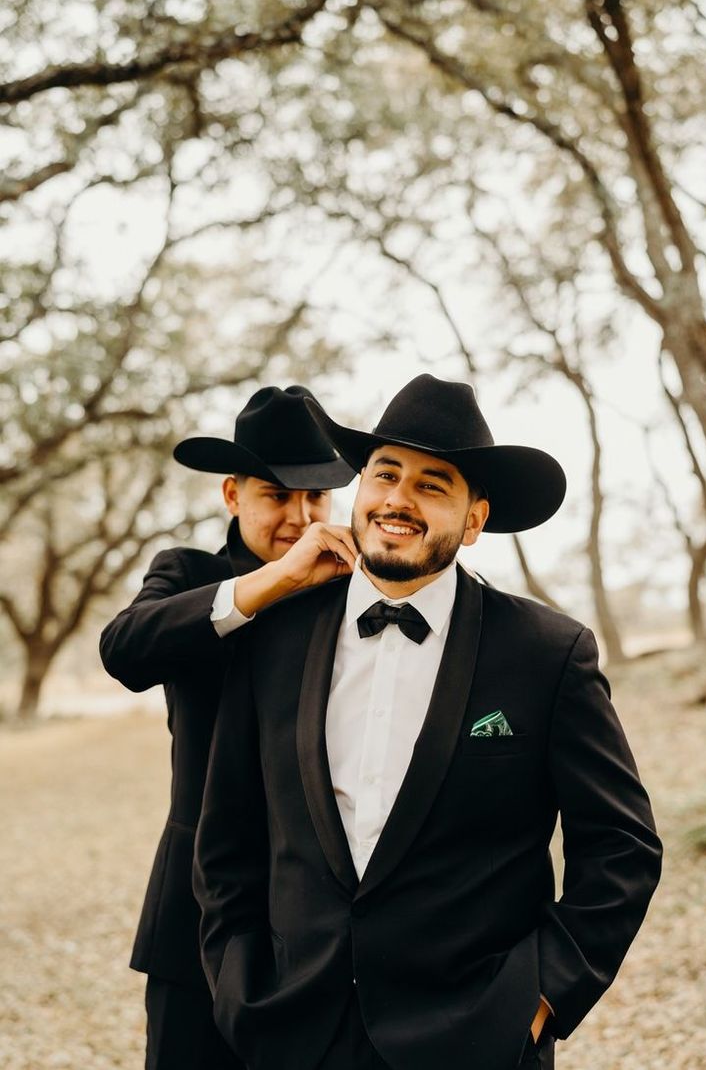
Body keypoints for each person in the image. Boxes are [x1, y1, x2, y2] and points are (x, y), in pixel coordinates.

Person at [193, 374, 663, 1070]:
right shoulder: (274, 637)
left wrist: (540, 998)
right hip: (294, 1031)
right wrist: (240, 987)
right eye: (386, 473)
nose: (398, 499)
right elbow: (226, 838)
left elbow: (622, 846)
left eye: (432, 484)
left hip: (474, 1037)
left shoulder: (546, 652)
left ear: (473, 520)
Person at [99, 384, 355, 1070]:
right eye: (278, 496)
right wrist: (274, 580)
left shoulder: (352, 589)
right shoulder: (188, 573)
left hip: (320, 914)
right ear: (231, 493)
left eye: (317, 499)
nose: (301, 518)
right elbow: (123, 650)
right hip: (192, 913)